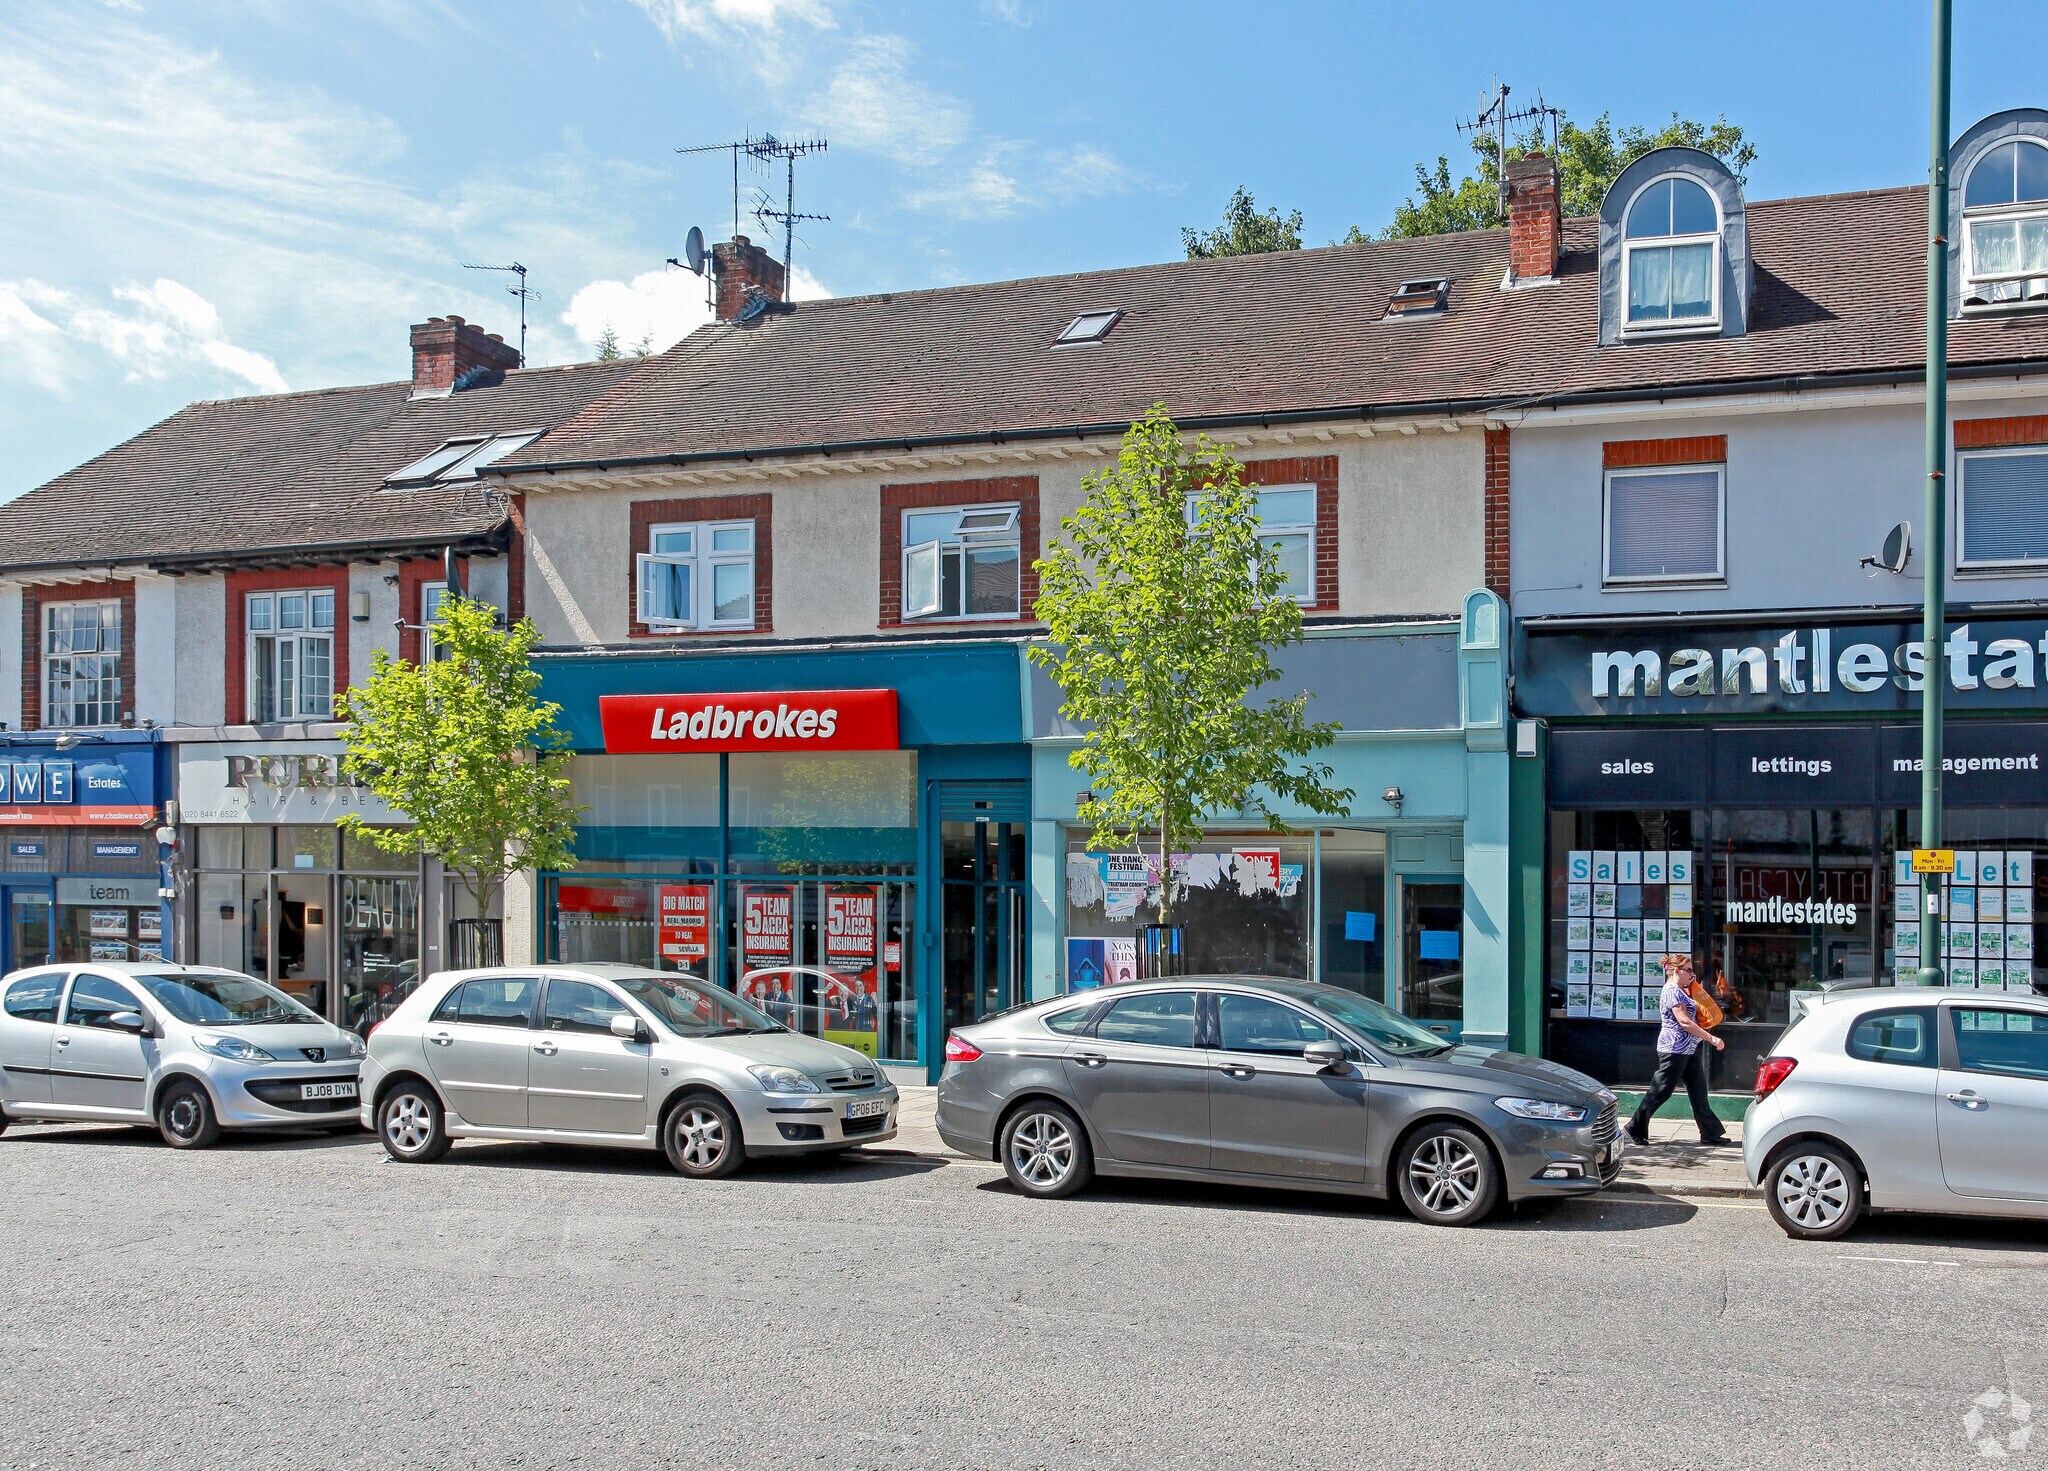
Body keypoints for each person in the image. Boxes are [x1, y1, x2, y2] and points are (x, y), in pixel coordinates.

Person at [1626, 951, 1732, 1147]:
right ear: (1676, 971)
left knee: (1699, 1091)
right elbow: (1684, 1021)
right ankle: (1635, 1126)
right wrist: (1711, 1038)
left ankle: (1710, 1133)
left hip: (1688, 1049)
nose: (1692, 974)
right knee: (1661, 1090)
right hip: (1674, 1049)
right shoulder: (1671, 991)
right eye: (1689, 970)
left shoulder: (1684, 990)